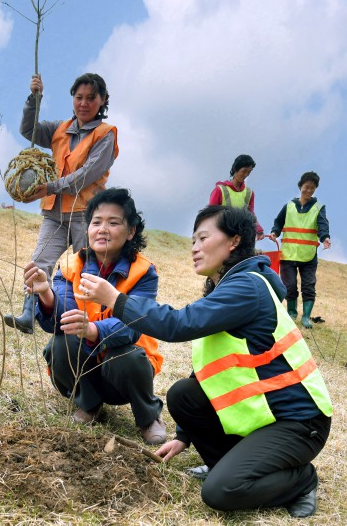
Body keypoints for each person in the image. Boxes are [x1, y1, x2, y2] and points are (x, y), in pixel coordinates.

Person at [77, 205, 333, 518]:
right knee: (183, 394)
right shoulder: (227, 288)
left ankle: (302, 480)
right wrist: (184, 437)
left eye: (203, 238)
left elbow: (176, 325)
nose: (194, 247)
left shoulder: (247, 287)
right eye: (192, 241)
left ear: (234, 241)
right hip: (267, 418)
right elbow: (209, 369)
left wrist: (116, 300)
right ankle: (225, 464)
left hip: (298, 424)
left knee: (220, 491)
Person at [22, 188, 166, 445]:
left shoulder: (143, 272)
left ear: (131, 231)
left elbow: (133, 324)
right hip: (87, 366)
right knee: (59, 344)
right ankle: (88, 404)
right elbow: (60, 317)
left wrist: (92, 330)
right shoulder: (70, 266)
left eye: (113, 223)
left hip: (123, 370)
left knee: (127, 355)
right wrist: (46, 294)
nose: (102, 229)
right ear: (87, 228)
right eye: (96, 222)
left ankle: (148, 416)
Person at [3, 72, 118, 334]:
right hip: (54, 212)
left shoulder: (106, 134)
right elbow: (28, 130)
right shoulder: (60, 128)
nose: (84, 103)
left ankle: (89, 323)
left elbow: (87, 174)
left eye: (91, 98)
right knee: (39, 261)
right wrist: (35, 98)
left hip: (85, 215)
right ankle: (29, 314)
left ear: (102, 101)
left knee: (87, 270)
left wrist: (50, 186)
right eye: (79, 97)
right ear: (73, 99)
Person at [269, 172, 331, 328]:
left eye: (313, 188)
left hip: (308, 255)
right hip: (288, 253)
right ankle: (291, 313)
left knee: (308, 286)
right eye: (306, 187)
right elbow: (278, 222)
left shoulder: (318, 208)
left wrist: (325, 238)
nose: (309, 190)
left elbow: (323, 225)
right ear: (300, 186)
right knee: (289, 285)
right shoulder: (289, 206)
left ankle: (306, 317)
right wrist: (275, 232)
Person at [208, 154, 265, 239]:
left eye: (249, 172)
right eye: (244, 171)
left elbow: (251, 215)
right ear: (235, 169)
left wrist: (258, 230)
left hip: (241, 238)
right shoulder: (220, 190)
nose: (246, 175)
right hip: (222, 236)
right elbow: (210, 215)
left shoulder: (249, 193)